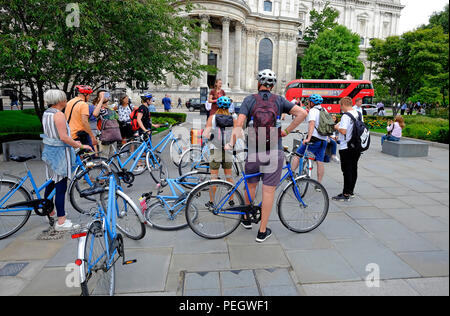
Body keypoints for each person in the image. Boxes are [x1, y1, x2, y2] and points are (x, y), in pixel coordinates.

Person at [225, 69, 307, 242]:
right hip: (274, 150)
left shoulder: (249, 100)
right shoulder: (279, 100)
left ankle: (246, 219)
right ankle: (262, 231)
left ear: (258, 83)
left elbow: (239, 123)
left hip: (255, 150)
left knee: (251, 186)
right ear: (273, 86)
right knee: (268, 192)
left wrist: (231, 143)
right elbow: (302, 113)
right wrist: (286, 131)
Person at [41, 89, 92, 231]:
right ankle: (62, 221)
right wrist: (81, 145)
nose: (66, 101)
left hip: (50, 151)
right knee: (60, 186)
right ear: (60, 101)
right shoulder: (58, 115)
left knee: (51, 182)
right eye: (64, 99)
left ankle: (49, 211)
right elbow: (64, 137)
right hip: (60, 153)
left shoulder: (47, 113)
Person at [203, 96, 237, 206]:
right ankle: (231, 200)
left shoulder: (212, 118)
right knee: (229, 177)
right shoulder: (233, 118)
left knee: (214, 178)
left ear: (217, 105)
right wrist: (230, 145)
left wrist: (212, 137)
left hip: (215, 149)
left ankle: (211, 202)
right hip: (227, 150)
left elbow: (205, 134)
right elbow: (235, 135)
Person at [291, 94, 328, 187]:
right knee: (320, 161)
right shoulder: (325, 110)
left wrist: (308, 138)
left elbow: (311, 123)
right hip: (323, 139)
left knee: (298, 154)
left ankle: (290, 174)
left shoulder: (313, 111)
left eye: (309, 101)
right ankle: (319, 184)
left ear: (312, 102)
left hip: (314, 139)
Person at [332, 97, 362, 202]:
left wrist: (336, 128)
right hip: (356, 146)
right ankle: (351, 191)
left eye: (341, 105)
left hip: (346, 147)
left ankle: (345, 194)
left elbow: (344, 131)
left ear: (344, 104)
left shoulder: (346, 116)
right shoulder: (358, 114)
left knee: (346, 170)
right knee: (354, 169)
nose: (341, 108)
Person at [65, 85, 97, 150]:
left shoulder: (69, 102)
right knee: (90, 155)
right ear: (84, 94)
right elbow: (85, 122)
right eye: (88, 95)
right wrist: (92, 137)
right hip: (80, 136)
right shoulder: (83, 104)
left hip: (70, 135)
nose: (89, 97)